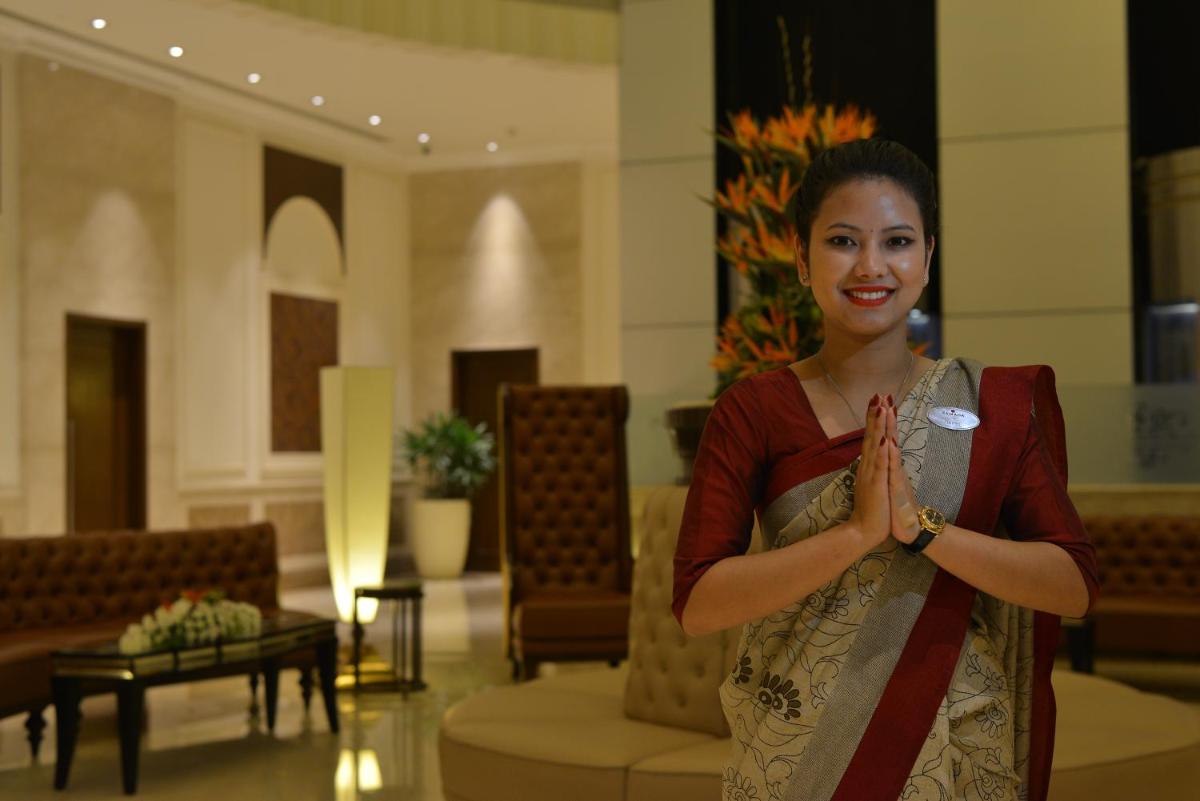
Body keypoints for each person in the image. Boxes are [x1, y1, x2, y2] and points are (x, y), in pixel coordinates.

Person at [672, 139, 1099, 801]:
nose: (870, 265)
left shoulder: (991, 408)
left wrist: (922, 530)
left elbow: (1072, 585)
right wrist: (853, 534)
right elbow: (699, 605)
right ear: (801, 257)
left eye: (897, 241)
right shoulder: (754, 411)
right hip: (798, 759)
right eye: (843, 240)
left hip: (956, 756)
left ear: (928, 257)